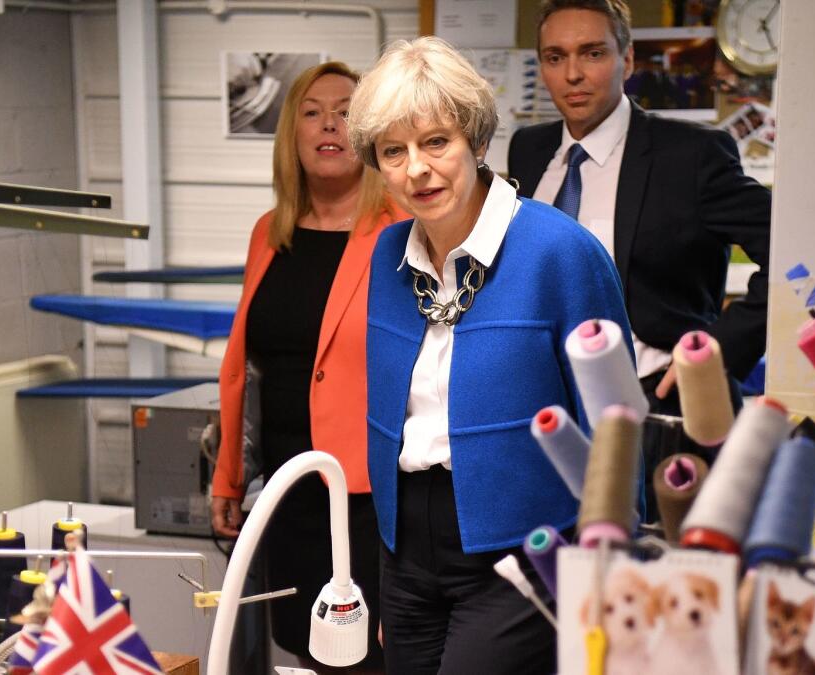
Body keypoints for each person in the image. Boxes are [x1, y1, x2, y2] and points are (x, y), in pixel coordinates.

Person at [347, 37, 632, 674]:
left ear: (475, 141)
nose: (416, 169)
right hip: (405, 549)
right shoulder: (388, 255)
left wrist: (613, 567)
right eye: (394, 152)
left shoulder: (561, 251)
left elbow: (617, 420)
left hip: (523, 548)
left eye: (436, 142)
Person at [508, 0, 772, 505]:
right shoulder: (528, 149)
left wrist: (718, 356)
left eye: (592, 53)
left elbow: (792, 251)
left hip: (661, 407)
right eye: (555, 57)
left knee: (660, 576)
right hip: (547, 410)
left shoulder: (690, 155)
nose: (574, 74)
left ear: (627, 60)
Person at [212, 61, 400, 672]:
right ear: (291, 134)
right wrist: (229, 475)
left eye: (345, 110)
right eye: (311, 111)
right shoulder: (269, 232)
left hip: (370, 493)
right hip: (287, 486)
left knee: (367, 653)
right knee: (302, 643)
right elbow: (246, 365)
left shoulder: (402, 231)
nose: (329, 123)